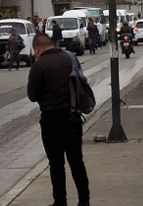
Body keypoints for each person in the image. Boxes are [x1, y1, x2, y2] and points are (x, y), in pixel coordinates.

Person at [26, 33, 90, 206]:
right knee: (76, 161)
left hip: (51, 120)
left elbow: (32, 95)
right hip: (72, 117)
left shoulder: (39, 66)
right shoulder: (70, 58)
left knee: (56, 164)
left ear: (36, 49)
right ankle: (84, 200)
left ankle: (60, 202)